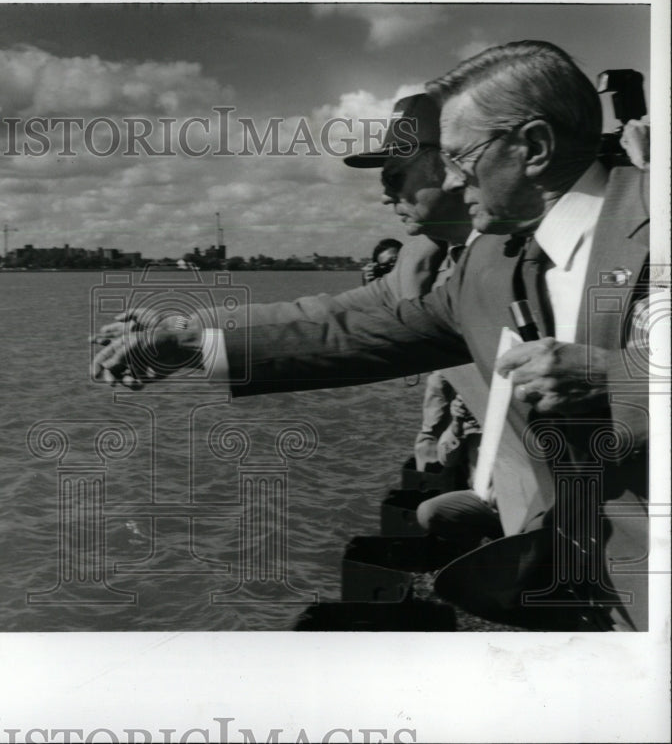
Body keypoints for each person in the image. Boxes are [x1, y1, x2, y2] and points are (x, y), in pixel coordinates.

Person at [91, 41, 651, 630]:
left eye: (461, 157)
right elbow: (360, 325)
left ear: (533, 147)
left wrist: (617, 376)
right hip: (593, 602)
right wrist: (190, 341)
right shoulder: (490, 263)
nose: (452, 180)